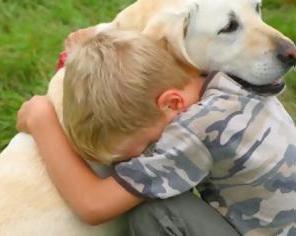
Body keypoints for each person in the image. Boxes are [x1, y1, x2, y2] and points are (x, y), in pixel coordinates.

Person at [17, 27, 296, 236]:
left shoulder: (193, 131)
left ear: (172, 103)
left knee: (155, 212)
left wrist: (42, 119)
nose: (145, 156)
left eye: (148, 145)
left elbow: (93, 206)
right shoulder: (221, 74)